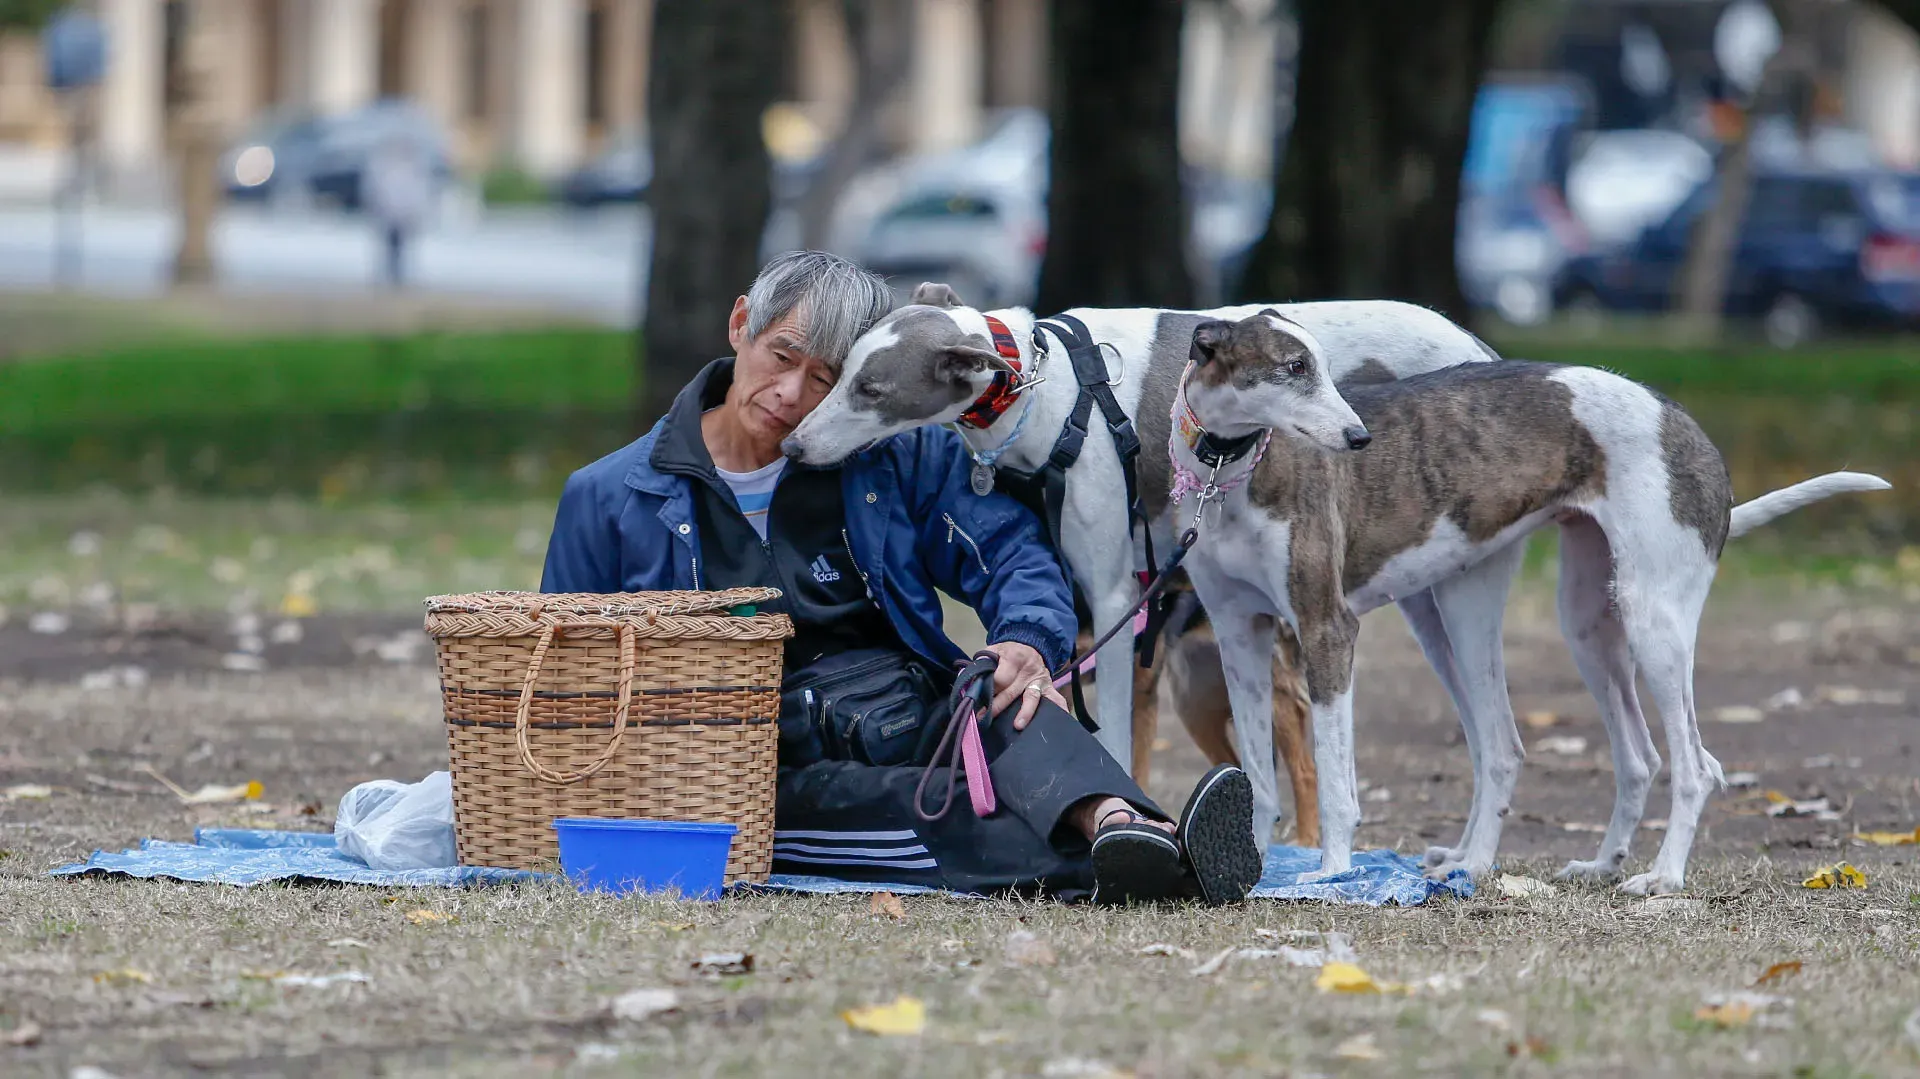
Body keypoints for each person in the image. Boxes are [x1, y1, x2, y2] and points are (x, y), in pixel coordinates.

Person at [539, 251, 1261, 904]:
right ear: (739, 325)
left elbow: (1012, 552)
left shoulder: (895, 455)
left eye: (823, 378)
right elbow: (556, 683)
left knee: (1009, 700)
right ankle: (1164, 854)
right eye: (781, 356)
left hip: (915, 712)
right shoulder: (608, 498)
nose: (791, 393)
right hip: (759, 768)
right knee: (946, 813)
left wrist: (1025, 639)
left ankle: (1117, 819)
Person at [362, 134, 433, 287]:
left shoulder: (410, 169)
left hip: (401, 215)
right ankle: (389, 275)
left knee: (399, 248)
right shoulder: (385, 167)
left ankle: (397, 275)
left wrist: (413, 212)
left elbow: (415, 194)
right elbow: (377, 191)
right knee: (389, 247)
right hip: (390, 215)